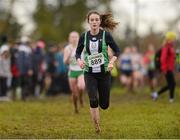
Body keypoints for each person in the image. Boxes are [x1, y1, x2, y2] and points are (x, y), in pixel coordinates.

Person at [75, 11, 120, 133]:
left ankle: (101, 106)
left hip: (104, 74)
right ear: (88, 22)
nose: (94, 22)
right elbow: (77, 52)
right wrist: (79, 61)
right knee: (93, 99)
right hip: (89, 73)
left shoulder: (106, 35)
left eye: (96, 20)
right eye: (92, 20)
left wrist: (111, 62)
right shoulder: (84, 36)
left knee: (104, 105)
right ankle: (96, 126)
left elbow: (117, 51)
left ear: (100, 21)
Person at [64, 31, 85, 113]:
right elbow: (65, 62)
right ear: (69, 39)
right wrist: (69, 55)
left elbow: (88, 57)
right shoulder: (67, 48)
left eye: (76, 37)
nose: (74, 39)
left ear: (79, 38)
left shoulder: (82, 46)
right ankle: (75, 108)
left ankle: (81, 98)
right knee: (74, 93)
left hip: (81, 70)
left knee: (81, 86)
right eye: (72, 37)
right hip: (72, 71)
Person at [152, 32, 176, 103]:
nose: (174, 40)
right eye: (173, 39)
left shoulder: (171, 47)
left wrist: (177, 58)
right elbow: (163, 59)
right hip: (167, 69)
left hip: (170, 68)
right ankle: (171, 99)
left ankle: (156, 94)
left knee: (171, 84)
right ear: (170, 39)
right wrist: (164, 69)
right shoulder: (166, 47)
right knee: (172, 84)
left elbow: (174, 57)